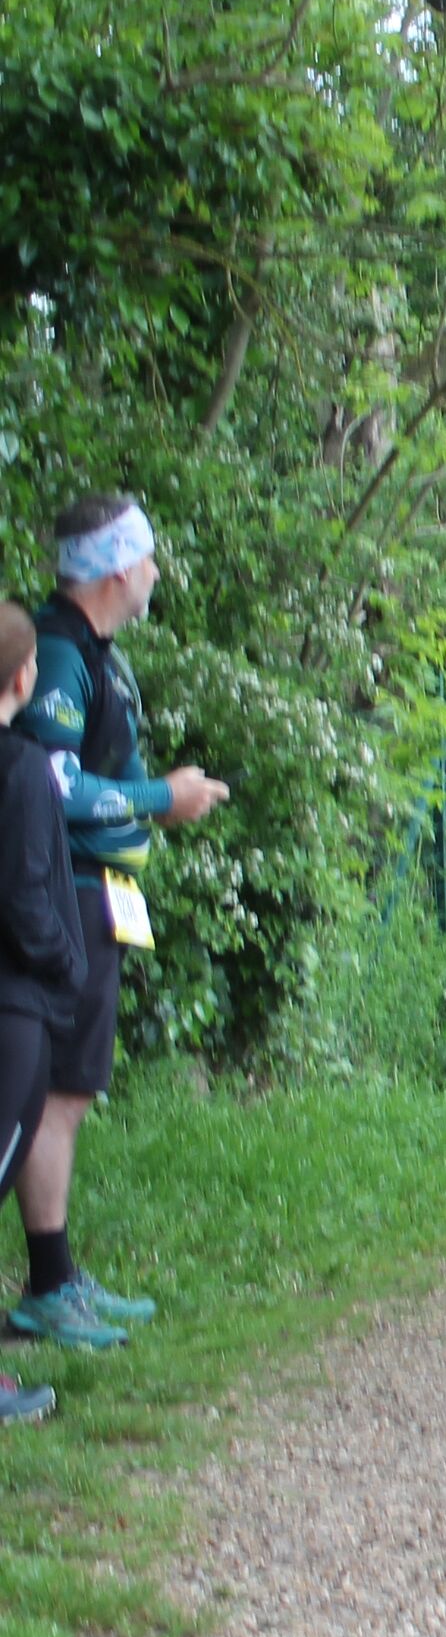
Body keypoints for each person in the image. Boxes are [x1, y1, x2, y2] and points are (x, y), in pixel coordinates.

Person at [9, 496, 228, 1350]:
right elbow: (49, 781)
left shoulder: (89, 652)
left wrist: (155, 801)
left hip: (97, 894)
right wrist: (157, 796)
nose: (157, 573)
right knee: (52, 1093)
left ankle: (58, 1277)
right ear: (116, 570)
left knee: (69, 1091)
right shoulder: (61, 656)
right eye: (148, 557)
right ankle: (48, 1288)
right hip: (68, 897)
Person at [0, 605, 81, 1413]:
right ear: (25, 678)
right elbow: (25, 895)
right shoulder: (22, 768)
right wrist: (65, 960)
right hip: (13, 1004)